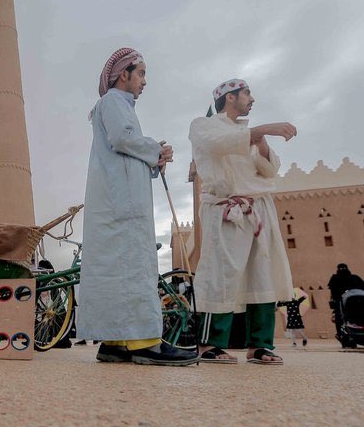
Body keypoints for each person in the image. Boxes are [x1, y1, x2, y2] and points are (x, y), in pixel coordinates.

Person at [77, 48, 198, 366]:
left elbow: (124, 150)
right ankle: (145, 342)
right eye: (141, 73)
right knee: (134, 268)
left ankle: (115, 341)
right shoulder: (114, 102)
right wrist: (156, 149)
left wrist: (155, 157)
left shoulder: (115, 105)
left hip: (116, 202)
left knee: (116, 270)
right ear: (123, 74)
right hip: (124, 205)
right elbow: (122, 139)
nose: (144, 81)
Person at [190, 79, 297, 365]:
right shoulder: (203, 125)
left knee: (263, 273)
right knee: (222, 273)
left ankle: (260, 345)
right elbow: (216, 145)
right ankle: (210, 344)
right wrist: (260, 131)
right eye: (247, 93)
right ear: (229, 97)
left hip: (259, 208)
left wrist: (261, 142)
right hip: (226, 208)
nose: (252, 98)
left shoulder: (248, 134)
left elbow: (270, 170)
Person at [328, 263, 364, 347]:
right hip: (357, 303)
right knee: (340, 317)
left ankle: (341, 335)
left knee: (339, 317)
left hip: (345, 302)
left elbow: (333, 292)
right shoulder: (355, 277)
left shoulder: (335, 278)